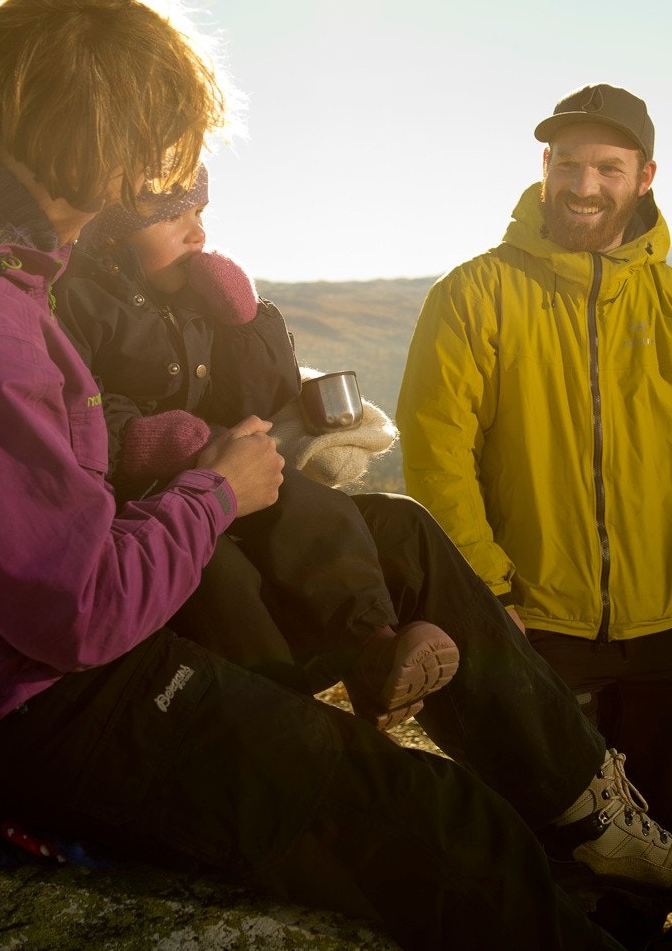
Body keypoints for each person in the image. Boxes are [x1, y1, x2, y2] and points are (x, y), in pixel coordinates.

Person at [0, 0, 672, 951]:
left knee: (396, 533)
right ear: (92, 142)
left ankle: (589, 816)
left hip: (15, 651)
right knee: (434, 821)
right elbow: (77, 610)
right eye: (153, 158)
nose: (151, 189)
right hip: (6, 707)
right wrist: (216, 489)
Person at [397, 83, 672, 944]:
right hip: (534, 624)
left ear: (645, 176)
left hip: (668, 625)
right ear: (545, 166)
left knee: (655, 844)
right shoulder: (474, 293)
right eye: (569, 164)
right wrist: (488, 592)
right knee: (543, 846)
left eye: (608, 168)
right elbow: (437, 453)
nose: (584, 185)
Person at [54, 166, 460, 726]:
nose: (197, 233)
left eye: (199, 213)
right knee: (222, 578)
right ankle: (283, 718)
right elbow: (75, 406)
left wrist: (244, 320)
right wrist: (155, 442)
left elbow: (262, 398)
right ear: (114, 230)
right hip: (140, 496)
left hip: (215, 469)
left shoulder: (191, 300)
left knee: (304, 504)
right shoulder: (77, 299)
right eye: (173, 218)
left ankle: (370, 643)